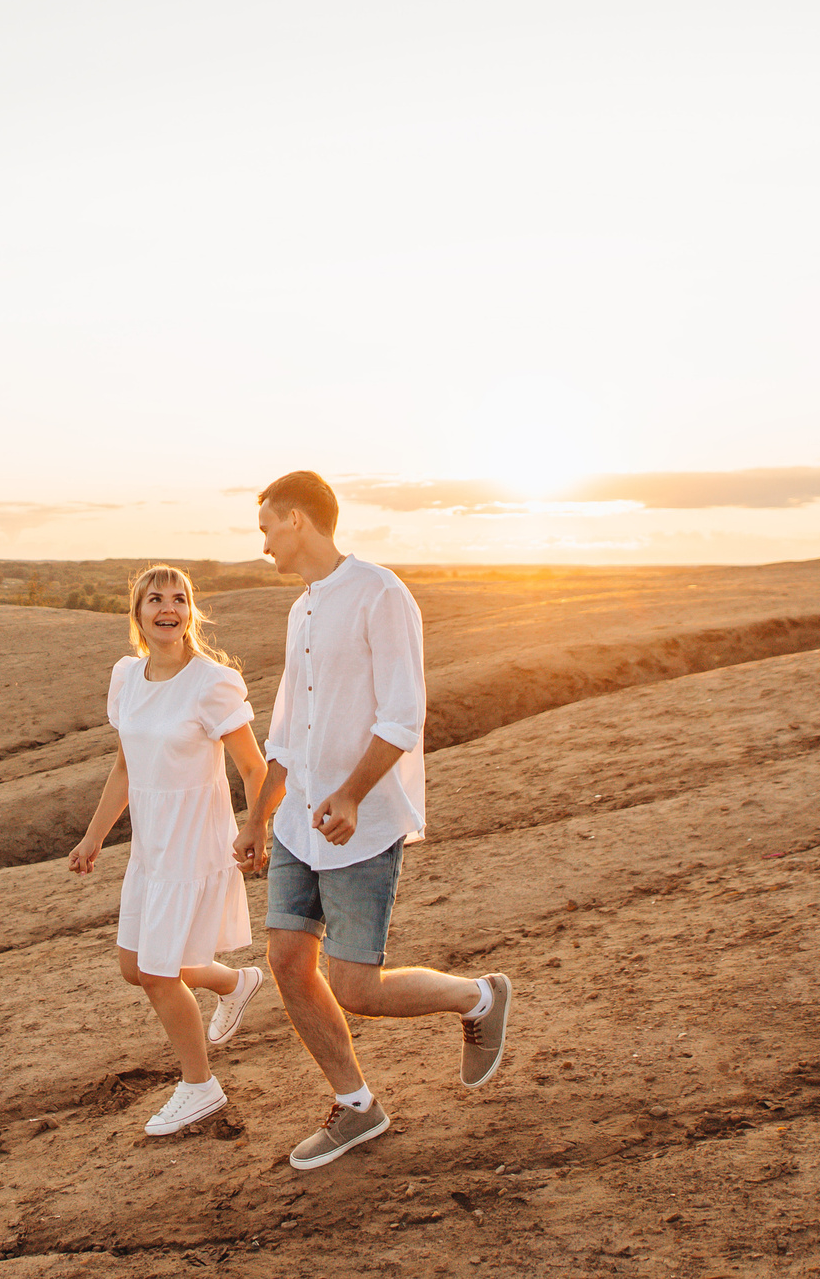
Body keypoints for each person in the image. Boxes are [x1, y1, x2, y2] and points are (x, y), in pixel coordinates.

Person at [237, 470, 512, 1170]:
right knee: (288, 961)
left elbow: (402, 714)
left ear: (297, 519)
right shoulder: (301, 610)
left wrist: (354, 793)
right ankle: (356, 1105)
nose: (262, 539)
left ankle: (479, 996)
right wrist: (256, 818)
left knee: (356, 987)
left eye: (267, 523)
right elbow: (287, 732)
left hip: (358, 820)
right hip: (301, 823)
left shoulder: (380, 592)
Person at [69, 564, 285, 1136]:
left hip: (194, 843)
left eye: (180, 598)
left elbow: (252, 766)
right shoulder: (127, 677)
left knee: (160, 973)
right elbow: (123, 767)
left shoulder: (211, 681)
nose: (169, 608)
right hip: (152, 847)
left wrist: (255, 826)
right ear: (138, 613)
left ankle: (199, 1087)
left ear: (191, 612)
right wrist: (93, 838)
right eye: (156, 599)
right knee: (134, 968)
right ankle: (233, 983)